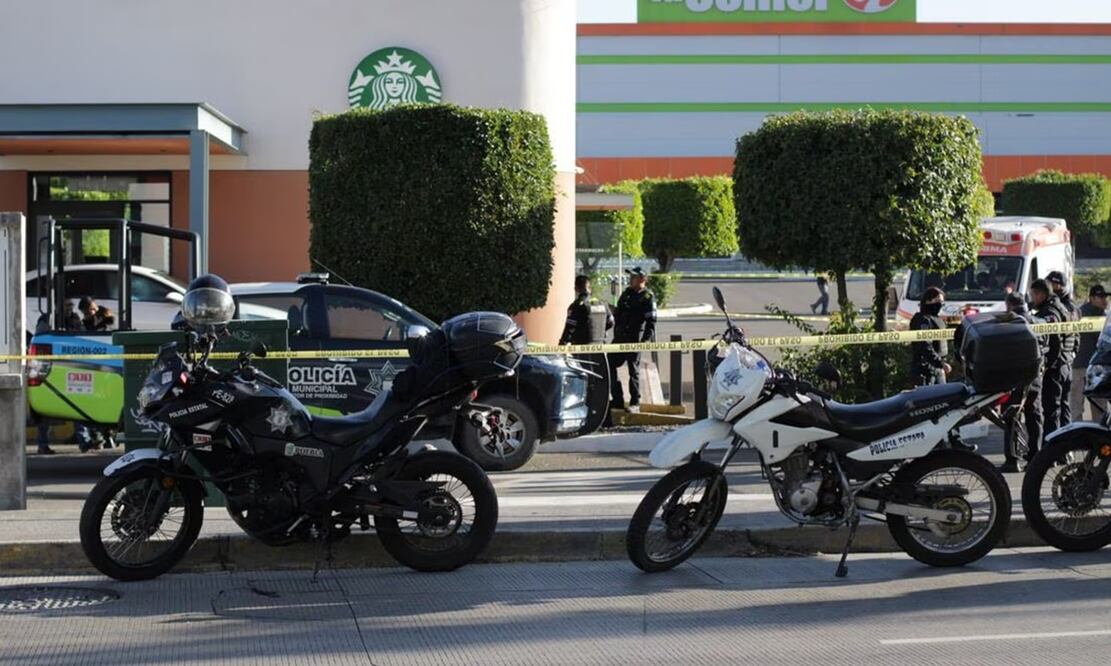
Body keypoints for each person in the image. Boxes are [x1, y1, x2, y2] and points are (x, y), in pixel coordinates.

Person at [1000, 292, 1043, 472]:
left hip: (1016, 377)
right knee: (1034, 416)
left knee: (1011, 417)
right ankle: (1036, 456)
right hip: (1036, 375)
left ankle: (1013, 460)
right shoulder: (1039, 322)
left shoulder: (1009, 323)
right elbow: (1050, 346)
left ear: (1009, 306)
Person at [608, 267, 657, 413]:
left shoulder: (647, 297)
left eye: (634, 277)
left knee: (633, 371)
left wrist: (645, 340)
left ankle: (635, 402)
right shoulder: (627, 293)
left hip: (635, 339)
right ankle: (617, 399)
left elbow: (651, 321)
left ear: (642, 279)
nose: (630, 279)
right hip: (620, 339)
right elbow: (619, 313)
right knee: (610, 363)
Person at [1031, 279, 1070, 446]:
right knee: (1063, 410)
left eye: (1034, 295)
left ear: (1042, 294)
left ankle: (1053, 451)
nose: (1032, 299)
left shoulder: (1048, 314)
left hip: (1055, 369)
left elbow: (1054, 344)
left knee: (1052, 411)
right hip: (1066, 365)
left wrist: (1046, 366)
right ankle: (1066, 450)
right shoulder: (1063, 308)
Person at [1046, 271, 1080, 428]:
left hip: (1059, 362)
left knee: (1054, 406)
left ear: (1057, 284)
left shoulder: (1057, 306)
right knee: (1064, 404)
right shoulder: (1072, 306)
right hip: (1067, 361)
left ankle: (1058, 445)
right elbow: (1077, 334)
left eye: (1050, 283)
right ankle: (1067, 443)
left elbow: (1057, 338)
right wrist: (1073, 353)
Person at [1071, 284, 1109, 421]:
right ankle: (1076, 436)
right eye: (1101, 297)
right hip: (1080, 365)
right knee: (1076, 405)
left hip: (1098, 368)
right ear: (1091, 298)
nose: (1105, 300)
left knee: (1100, 406)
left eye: (1105, 297)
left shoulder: (1106, 317)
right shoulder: (1080, 313)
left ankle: (1100, 438)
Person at [910, 287, 950, 386]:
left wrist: (940, 364)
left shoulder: (938, 320)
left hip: (938, 369)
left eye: (941, 302)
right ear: (927, 301)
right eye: (937, 301)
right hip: (926, 371)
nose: (939, 305)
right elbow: (925, 345)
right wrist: (939, 362)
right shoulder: (922, 320)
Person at [559, 275, 613, 346]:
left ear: (576, 289)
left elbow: (569, 328)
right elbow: (611, 322)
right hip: (600, 347)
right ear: (590, 288)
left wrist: (562, 344)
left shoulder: (576, 306)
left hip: (582, 349)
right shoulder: (603, 304)